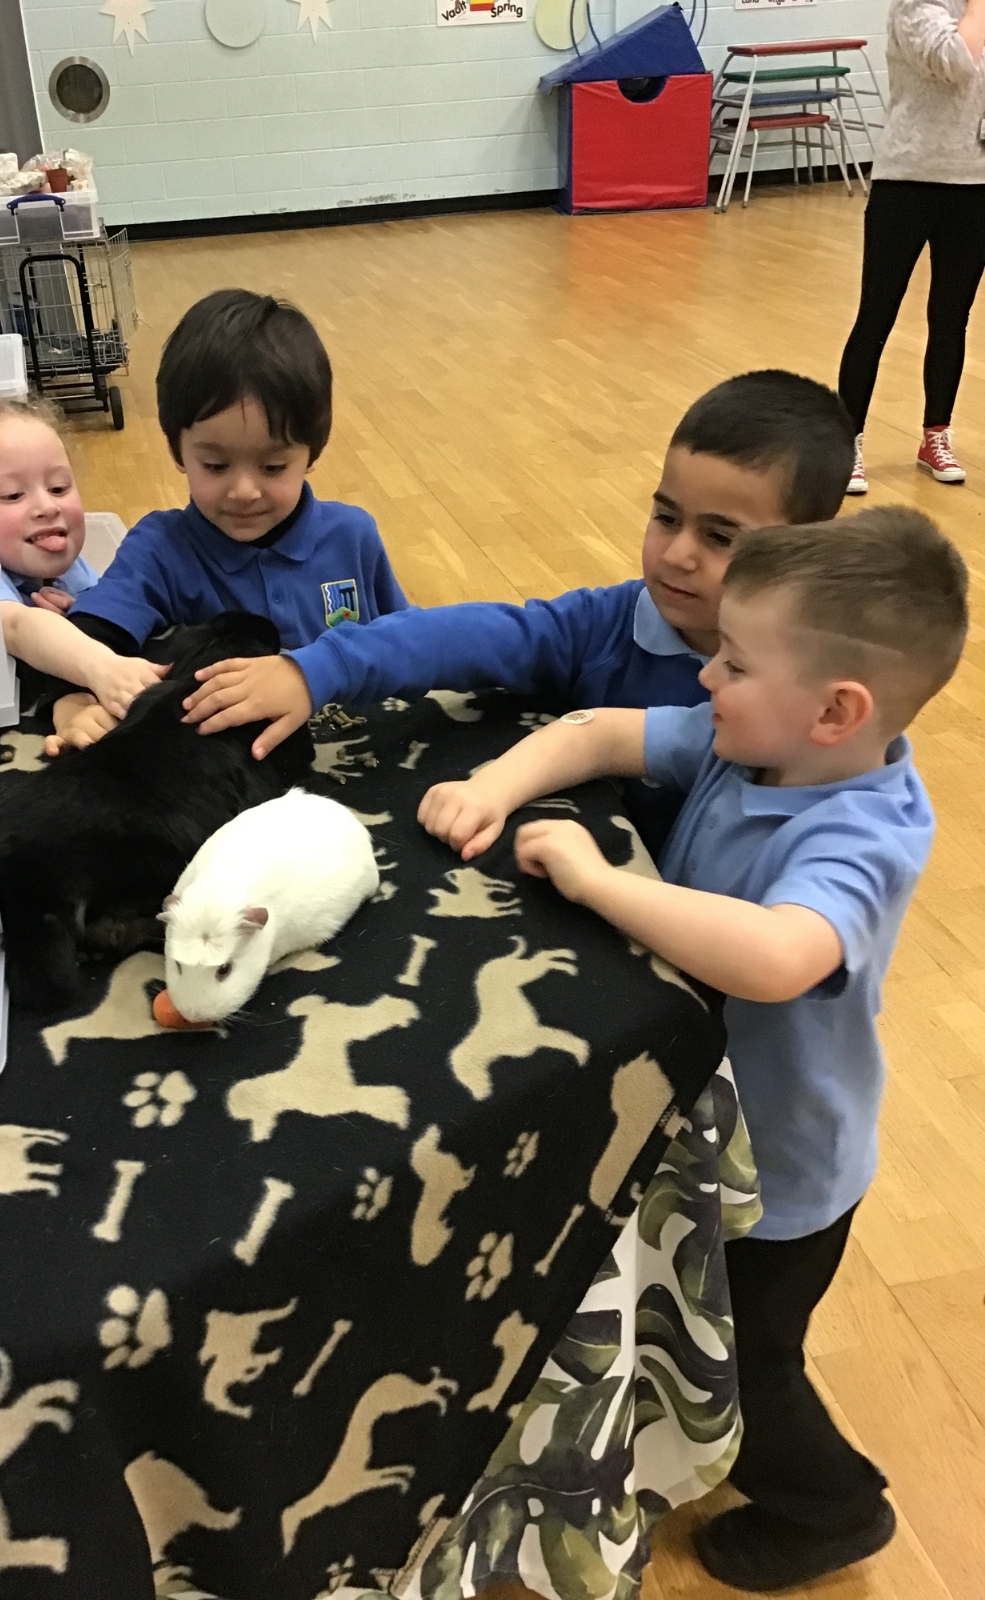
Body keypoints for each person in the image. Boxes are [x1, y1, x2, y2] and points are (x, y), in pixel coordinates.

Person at [418, 505, 968, 1592]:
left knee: (748, 1364)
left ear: (835, 711)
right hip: (704, 1132)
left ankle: (833, 1508)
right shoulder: (754, 746)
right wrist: (493, 787)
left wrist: (599, 882)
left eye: (735, 662)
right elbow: (596, 732)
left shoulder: (862, 833)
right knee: (684, 1315)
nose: (704, 675)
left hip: (784, 1180)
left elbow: (776, 954)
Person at [181, 369, 856, 855]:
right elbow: (462, 635)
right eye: (666, 517)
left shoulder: (820, 708)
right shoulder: (606, 625)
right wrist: (315, 670)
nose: (677, 555)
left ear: (805, 552)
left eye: (720, 537)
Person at [27, 288, 410, 752]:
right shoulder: (160, 548)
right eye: (215, 465)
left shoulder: (352, 537)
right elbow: (91, 637)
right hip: (225, 769)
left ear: (312, 453)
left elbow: (410, 646)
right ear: (177, 450)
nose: (244, 491)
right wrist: (71, 703)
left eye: (273, 467)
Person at [0, 396, 163, 720]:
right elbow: (17, 627)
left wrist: (82, 613)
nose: (48, 507)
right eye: (13, 495)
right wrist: (103, 666)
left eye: (58, 488)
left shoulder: (67, 568)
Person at [838, 0, 985, 494]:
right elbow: (956, 63)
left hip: (975, 183)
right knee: (876, 315)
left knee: (952, 317)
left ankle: (936, 435)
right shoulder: (915, 6)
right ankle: (848, 440)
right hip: (907, 180)